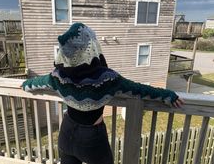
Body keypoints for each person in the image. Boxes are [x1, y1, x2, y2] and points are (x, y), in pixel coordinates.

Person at [22, 23, 184, 164]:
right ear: (90, 47)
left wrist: (25, 85)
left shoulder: (57, 75)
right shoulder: (106, 78)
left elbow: (37, 82)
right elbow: (140, 89)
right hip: (91, 138)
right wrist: (168, 95)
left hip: (66, 130)